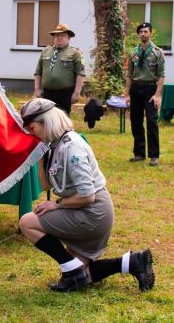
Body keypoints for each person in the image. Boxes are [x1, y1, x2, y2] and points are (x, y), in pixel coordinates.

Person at [18, 98, 155, 292]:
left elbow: (87, 196)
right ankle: (132, 261)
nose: (31, 134)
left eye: (32, 128)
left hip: (92, 212)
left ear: (45, 122)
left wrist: (57, 205)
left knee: (27, 222)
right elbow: (46, 185)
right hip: (84, 210)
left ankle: (71, 270)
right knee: (83, 277)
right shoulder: (55, 144)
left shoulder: (72, 148)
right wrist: (40, 156)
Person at [124, 22, 165, 166]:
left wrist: (158, 94)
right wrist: (127, 94)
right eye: (141, 31)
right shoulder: (133, 52)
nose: (143, 34)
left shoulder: (157, 52)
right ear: (138, 34)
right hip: (136, 89)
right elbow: (129, 75)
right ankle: (139, 153)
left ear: (150, 33)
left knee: (152, 121)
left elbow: (161, 76)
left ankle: (154, 156)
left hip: (150, 90)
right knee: (136, 121)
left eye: (146, 31)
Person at [34, 23, 85, 115]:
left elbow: (80, 74)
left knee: (63, 118)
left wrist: (77, 93)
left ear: (68, 38)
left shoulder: (75, 53)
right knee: (47, 118)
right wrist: (37, 89)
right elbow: (38, 72)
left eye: (63, 35)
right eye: (57, 35)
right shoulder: (46, 51)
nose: (59, 37)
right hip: (47, 92)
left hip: (65, 93)